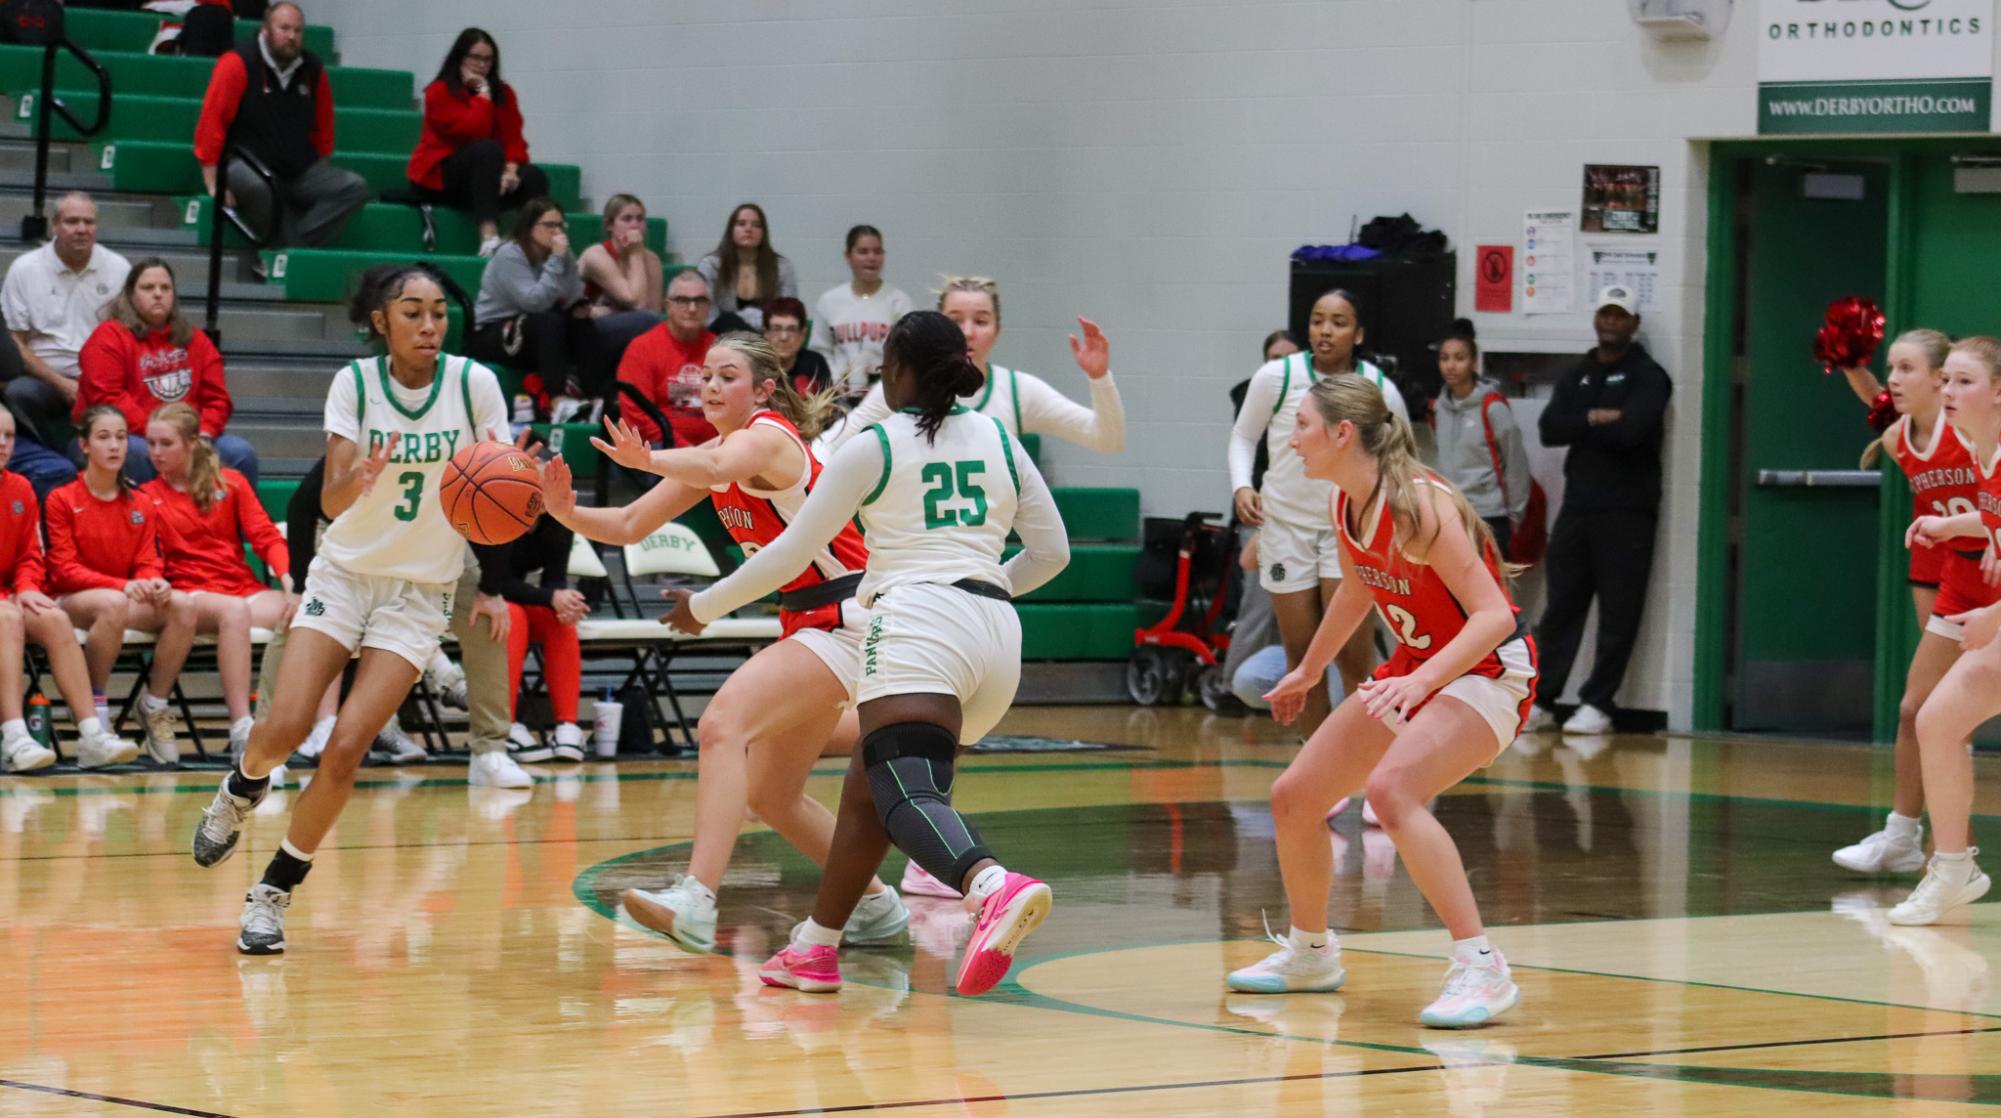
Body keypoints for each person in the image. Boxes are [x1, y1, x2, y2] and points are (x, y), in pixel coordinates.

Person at [664, 310, 1070, 996]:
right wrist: (987, 586)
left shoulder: (873, 446)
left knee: (903, 791)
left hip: (917, 625)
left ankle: (989, 884)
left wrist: (700, 606)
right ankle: (816, 946)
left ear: (898, 373)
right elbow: (1053, 553)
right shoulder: (1001, 439)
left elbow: (789, 556)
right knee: (867, 785)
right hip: (998, 635)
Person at [539, 332, 908, 954]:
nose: (710, 387)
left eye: (726, 376)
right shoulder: (717, 453)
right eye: (704, 376)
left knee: (721, 723)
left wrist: (649, 460)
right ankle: (876, 905)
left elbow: (712, 469)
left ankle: (697, 898)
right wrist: (564, 512)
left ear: (763, 389)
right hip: (809, 622)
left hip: (847, 615)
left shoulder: (770, 438)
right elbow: (631, 524)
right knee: (770, 793)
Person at [189, 264, 515, 955]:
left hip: (420, 591)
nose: (429, 326)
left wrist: (526, 490)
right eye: (413, 313)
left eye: (437, 313)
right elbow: (330, 504)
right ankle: (239, 788)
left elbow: (501, 493)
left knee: (345, 750)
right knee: (285, 726)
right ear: (382, 322)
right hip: (345, 571)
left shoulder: (473, 385)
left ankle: (272, 892)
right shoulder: (356, 384)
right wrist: (358, 478)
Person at [1228, 373, 1534, 1028]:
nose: (1292, 437)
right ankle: (1311, 953)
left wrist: (1422, 684)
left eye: (1302, 424)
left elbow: (1493, 616)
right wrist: (1309, 669)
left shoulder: (1417, 506)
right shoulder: (1346, 504)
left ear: (1342, 433)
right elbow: (1357, 591)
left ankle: (1481, 964)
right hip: (1418, 668)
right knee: (1294, 797)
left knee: (1392, 792)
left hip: (1487, 672)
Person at [1831, 330, 1981, 876]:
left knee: (1947, 715)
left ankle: (1950, 851)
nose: (1892, 379)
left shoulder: (1973, 431)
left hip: (1990, 570)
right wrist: (1850, 365)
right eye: (1889, 368)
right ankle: (1914, 840)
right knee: (1923, 711)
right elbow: (1878, 403)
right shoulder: (1898, 439)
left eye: (1905, 368)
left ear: (1942, 381)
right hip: (1957, 575)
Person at [1229, 288, 1408, 740]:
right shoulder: (1277, 376)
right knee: (1301, 654)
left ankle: (1369, 758)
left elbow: (1402, 452)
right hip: (1285, 528)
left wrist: (1387, 514)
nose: (1326, 330)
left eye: (1339, 322)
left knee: (1353, 654)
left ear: (1359, 333)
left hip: (1347, 531)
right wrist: (1242, 485)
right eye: (1317, 320)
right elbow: (1243, 437)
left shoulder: (1378, 387)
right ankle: (1318, 762)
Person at [1523, 285, 1671, 737]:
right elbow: (1550, 428)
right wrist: (1595, 417)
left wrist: (1586, 423)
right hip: (1578, 505)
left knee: (1618, 612)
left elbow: (1633, 432)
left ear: (1633, 324)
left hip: (1628, 510)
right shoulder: (1579, 373)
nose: (1611, 322)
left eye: (1620, 316)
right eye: (1605, 314)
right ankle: (1543, 699)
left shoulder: (1650, 376)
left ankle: (1599, 702)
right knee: (1560, 608)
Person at [1891, 335, 2001, 926]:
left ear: (1999, 391)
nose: (1949, 392)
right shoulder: (1978, 448)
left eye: (1964, 381)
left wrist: (1992, 616)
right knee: (1935, 720)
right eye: (1948, 380)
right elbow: (1996, 517)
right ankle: (1954, 869)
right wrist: (1950, 522)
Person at [817, 276, 1125, 458]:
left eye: (980, 321)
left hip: (982, 552)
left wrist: (1100, 379)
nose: (967, 332)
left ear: (998, 331)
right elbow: (829, 447)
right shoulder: (900, 388)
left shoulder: (1018, 391)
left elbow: (1106, 440)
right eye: (955, 320)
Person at [141, 402, 292, 763]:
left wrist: (289, 583)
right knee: (234, 612)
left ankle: (312, 726)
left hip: (239, 584)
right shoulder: (147, 495)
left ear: (192, 442)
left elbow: (266, 536)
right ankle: (242, 727)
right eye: (151, 444)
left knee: (307, 614)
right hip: (188, 591)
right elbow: (144, 555)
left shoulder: (232, 483)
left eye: (166, 444)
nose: (156, 453)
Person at [47, 406, 197, 766]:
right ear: (84, 445)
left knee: (183, 605)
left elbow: (147, 560)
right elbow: (63, 569)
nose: (114, 445)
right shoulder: (62, 499)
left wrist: (153, 582)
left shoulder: (141, 502)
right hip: (70, 600)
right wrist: (122, 585)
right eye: (103, 437)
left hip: (119, 595)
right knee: (113, 604)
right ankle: (94, 713)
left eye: (121, 437)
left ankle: (155, 705)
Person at [0, 405, 140, 772]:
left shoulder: (21, 488)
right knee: (7, 618)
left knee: (55, 619)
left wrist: (28, 585)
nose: (2, 443)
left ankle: (91, 733)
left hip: (9, 596)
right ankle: (14, 735)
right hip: (3, 609)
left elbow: (31, 555)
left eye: (10, 436)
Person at [193, 2, 369, 249]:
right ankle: (288, 255)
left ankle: (290, 250)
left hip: (297, 169)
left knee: (353, 187)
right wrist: (214, 184)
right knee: (259, 186)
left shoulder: (314, 69)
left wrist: (319, 172)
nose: (291, 36)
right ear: (266, 30)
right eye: (284, 28)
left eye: (297, 31)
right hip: (244, 164)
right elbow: (212, 123)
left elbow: (324, 129)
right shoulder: (237, 63)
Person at [75, 258, 258, 484]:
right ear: (131, 295)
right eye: (148, 288)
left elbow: (218, 399)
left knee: (240, 453)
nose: (158, 294)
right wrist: (162, 436)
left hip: (190, 436)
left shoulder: (196, 339)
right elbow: (108, 399)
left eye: (165, 288)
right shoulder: (108, 337)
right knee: (138, 452)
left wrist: (202, 433)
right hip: (131, 435)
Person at [1, 192, 130, 495]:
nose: (82, 229)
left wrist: (94, 382)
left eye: (89, 221)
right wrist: (61, 383)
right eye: (72, 221)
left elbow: (126, 338)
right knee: (19, 393)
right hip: (41, 375)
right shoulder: (25, 268)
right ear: (55, 225)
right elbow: (15, 342)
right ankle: (65, 464)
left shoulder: (119, 268)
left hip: (100, 376)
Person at [407, 28, 551, 256]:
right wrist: (483, 94)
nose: (481, 65)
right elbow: (473, 131)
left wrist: (511, 170)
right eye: (475, 57)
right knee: (487, 150)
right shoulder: (439, 91)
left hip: (486, 178)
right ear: (460, 57)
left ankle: (530, 247)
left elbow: (515, 140)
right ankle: (489, 236)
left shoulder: (504, 93)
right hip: (443, 179)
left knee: (533, 176)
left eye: (487, 59)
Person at [468, 198, 589, 399]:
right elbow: (535, 303)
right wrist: (557, 260)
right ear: (530, 227)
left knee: (583, 323)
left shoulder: (558, 253)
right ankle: (557, 400)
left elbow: (574, 295)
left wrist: (566, 259)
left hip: (531, 331)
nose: (557, 232)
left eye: (560, 225)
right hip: (491, 332)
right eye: (549, 225)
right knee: (549, 321)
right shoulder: (510, 254)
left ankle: (596, 397)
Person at [492, 514, 588, 763]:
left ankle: (567, 727)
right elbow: (497, 581)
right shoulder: (498, 509)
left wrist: (565, 603)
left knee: (559, 620)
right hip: (474, 597)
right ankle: (505, 726)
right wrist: (551, 598)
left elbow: (554, 580)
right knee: (513, 616)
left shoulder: (559, 520)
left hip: (510, 597)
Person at [1428, 320, 1529, 556]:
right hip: (1451, 515)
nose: (1451, 366)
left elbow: (1516, 464)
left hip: (1490, 517)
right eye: (1444, 358)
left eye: (1459, 358)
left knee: (1488, 591)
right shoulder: (1439, 408)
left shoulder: (1492, 407)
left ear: (1473, 362)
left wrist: (1515, 515)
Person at [809, 225, 912, 401]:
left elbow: (909, 353)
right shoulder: (829, 301)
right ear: (848, 256)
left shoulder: (899, 302)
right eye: (863, 252)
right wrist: (834, 378)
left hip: (884, 393)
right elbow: (820, 350)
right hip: (840, 393)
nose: (871, 258)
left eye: (877, 251)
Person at [615, 270, 717, 447]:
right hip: (658, 446)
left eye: (700, 301)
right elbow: (638, 417)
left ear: (709, 307)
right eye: (682, 300)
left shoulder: (721, 348)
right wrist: (688, 452)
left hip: (714, 451)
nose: (692, 308)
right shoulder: (642, 348)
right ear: (668, 306)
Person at [696, 203, 795, 332]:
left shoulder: (782, 267)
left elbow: (789, 314)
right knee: (727, 319)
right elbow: (708, 317)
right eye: (741, 224)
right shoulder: (711, 265)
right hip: (722, 340)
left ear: (764, 233)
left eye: (756, 225)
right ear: (731, 230)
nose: (748, 229)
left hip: (768, 339)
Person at [577, 193, 664, 316]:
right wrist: (635, 253)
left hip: (628, 323)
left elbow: (653, 311)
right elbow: (636, 303)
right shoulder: (595, 255)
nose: (635, 226)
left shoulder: (652, 259)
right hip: (588, 327)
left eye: (640, 219)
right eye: (627, 219)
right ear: (609, 225)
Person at [763, 297, 832, 396]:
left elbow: (828, 406)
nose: (784, 337)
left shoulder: (815, 363)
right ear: (766, 333)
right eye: (776, 329)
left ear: (802, 334)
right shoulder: (756, 366)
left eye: (791, 329)